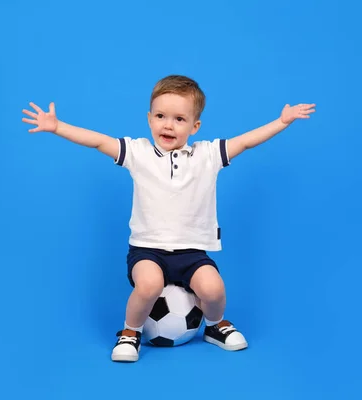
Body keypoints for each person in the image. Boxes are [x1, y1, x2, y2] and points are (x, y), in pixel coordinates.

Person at [21, 75, 315, 362]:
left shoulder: (208, 155)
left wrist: (282, 122)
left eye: (179, 119)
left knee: (214, 288)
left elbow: (247, 142)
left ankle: (215, 325)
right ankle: (130, 332)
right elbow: (99, 142)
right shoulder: (139, 153)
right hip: (147, 249)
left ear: (195, 126)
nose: (168, 125)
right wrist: (57, 127)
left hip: (192, 252)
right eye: (160, 116)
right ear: (149, 118)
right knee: (148, 285)